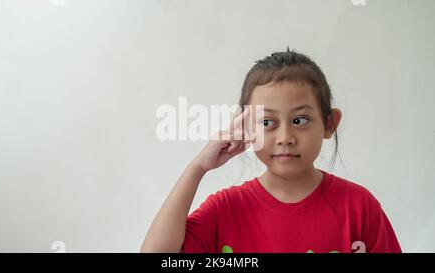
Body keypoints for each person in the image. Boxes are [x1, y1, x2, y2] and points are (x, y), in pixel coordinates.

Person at [140, 47, 401, 253]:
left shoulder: (359, 207)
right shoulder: (226, 210)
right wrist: (197, 168)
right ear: (246, 126)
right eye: (267, 122)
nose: (285, 137)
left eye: (299, 120)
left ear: (329, 123)